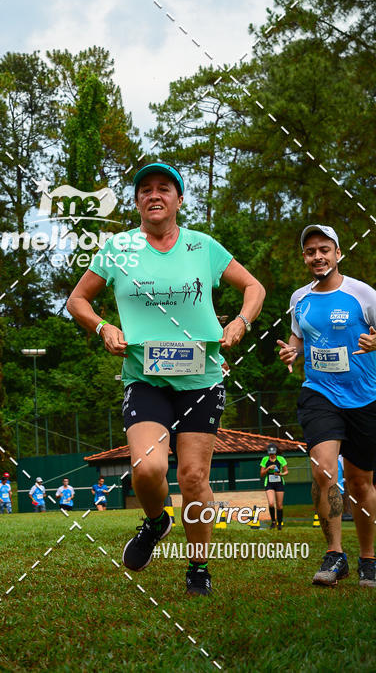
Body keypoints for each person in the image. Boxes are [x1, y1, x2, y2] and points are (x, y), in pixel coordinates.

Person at [67, 160, 265, 596]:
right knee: (147, 469)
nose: (154, 195)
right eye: (145, 190)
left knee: (194, 477)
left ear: (178, 199)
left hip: (202, 377)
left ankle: (198, 567)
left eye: (164, 188)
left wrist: (241, 324)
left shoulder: (203, 247)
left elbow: (254, 288)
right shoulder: (117, 249)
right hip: (145, 377)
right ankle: (157, 521)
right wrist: (103, 326)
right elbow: (77, 300)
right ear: (137, 201)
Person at [278, 224, 376, 588]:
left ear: (337, 253)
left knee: (360, 482)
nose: (317, 256)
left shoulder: (362, 295)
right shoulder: (299, 298)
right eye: (309, 251)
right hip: (319, 392)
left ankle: (369, 559)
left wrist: (374, 342)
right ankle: (335, 554)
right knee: (323, 472)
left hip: (364, 396)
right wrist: (292, 350)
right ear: (304, 258)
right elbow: (299, 335)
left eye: (323, 249)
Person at [259, 445, 288, 529]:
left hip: (279, 483)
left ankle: (279, 523)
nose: (271, 455)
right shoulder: (265, 459)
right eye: (270, 453)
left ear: (276, 452)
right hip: (269, 483)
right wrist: (268, 468)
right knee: (271, 503)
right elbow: (261, 474)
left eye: (273, 453)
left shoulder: (281, 459)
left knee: (279, 505)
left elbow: (286, 471)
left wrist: (280, 474)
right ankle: (273, 522)